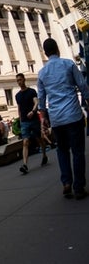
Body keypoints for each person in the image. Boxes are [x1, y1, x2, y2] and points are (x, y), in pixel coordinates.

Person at [37, 38, 89, 200]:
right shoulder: (68, 64)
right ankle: (78, 187)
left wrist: (43, 118)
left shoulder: (42, 73)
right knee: (78, 152)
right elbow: (82, 86)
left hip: (57, 119)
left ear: (45, 53)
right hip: (73, 115)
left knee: (62, 150)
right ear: (57, 49)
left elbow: (41, 98)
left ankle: (66, 182)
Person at [15, 72, 48, 174]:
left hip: (34, 120)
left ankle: (44, 155)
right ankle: (25, 165)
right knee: (25, 142)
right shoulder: (17, 95)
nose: (19, 82)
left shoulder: (31, 91)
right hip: (24, 122)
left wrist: (33, 111)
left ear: (24, 79)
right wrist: (20, 120)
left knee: (39, 139)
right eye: (17, 81)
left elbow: (36, 102)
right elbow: (19, 108)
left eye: (20, 80)